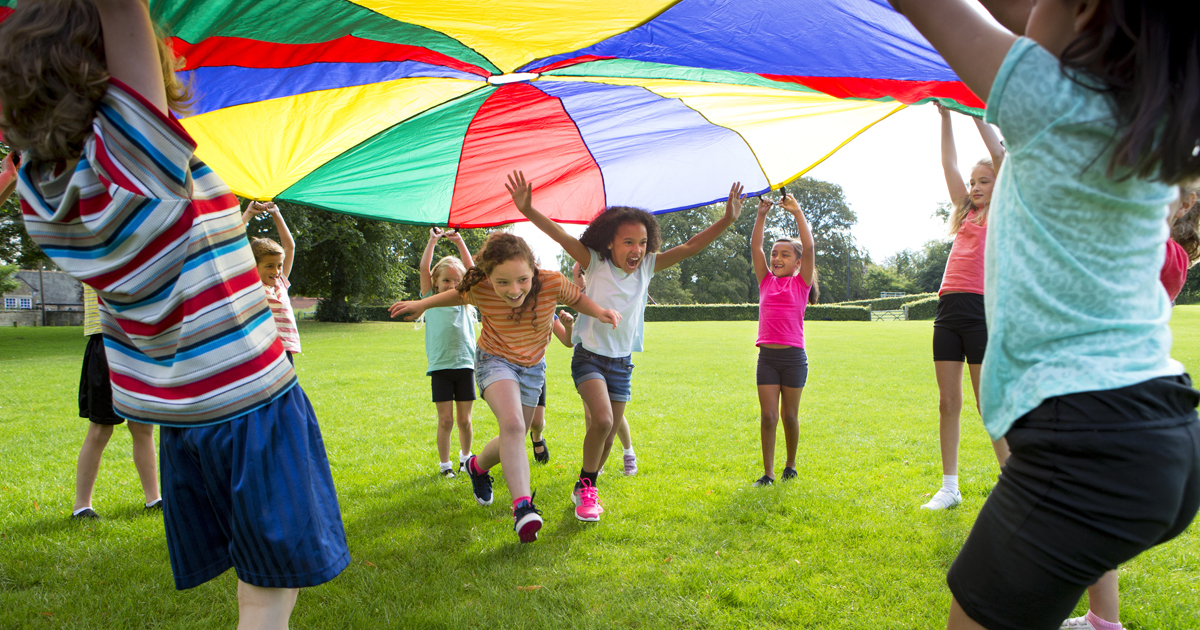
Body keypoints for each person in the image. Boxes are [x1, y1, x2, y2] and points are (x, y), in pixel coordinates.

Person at [0, 2, 349, 627]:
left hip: (182, 419)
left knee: (256, 580)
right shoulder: (139, 167)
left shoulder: (41, 192)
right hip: (251, 404)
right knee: (267, 597)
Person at [890, 1, 1200, 629]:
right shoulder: (1145, 110)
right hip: (1163, 433)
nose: (1026, 14)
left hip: (1089, 439)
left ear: (1085, 15)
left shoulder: (1047, 93)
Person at [506, 169, 744, 522]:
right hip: (589, 358)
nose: (637, 249)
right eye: (629, 242)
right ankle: (588, 485)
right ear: (610, 244)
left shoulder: (647, 267)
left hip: (622, 363)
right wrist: (528, 209)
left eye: (643, 242)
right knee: (601, 420)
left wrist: (726, 220)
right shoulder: (595, 262)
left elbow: (691, 247)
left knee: (609, 431)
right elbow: (559, 235)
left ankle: (585, 485)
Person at [389, 231, 620, 542]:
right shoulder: (480, 287)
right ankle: (523, 508)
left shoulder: (550, 282)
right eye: (503, 283)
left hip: (532, 369)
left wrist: (600, 312)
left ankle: (477, 467)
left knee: (515, 434)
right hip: (494, 361)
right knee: (511, 425)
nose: (514, 290)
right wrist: (423, 305)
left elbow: (577, 298)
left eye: (522, 280)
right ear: (488, 277)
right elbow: (456, 294)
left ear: (534, 269)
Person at [1062, 181, 1200, 630]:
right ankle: (1103, 619)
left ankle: (1102, 620)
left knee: (1085, 514)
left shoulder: (1164, 254)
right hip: (1099, 389)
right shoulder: (1146, 242)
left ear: (1184, 202)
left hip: (1113, 398)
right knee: (1087, 514)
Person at [923, 103, 1011, 510]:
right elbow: (946, 163)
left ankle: (1013, 481)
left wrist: (975, 112)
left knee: (985, 402)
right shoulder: (963, 215)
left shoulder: (1005, 212)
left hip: (980, 311)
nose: (975, 187)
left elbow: (1000, 157)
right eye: (973, 182)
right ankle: (950, 487)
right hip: (948, 311)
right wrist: (944, 116)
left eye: (984, 182)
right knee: (948, 402)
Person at [72, 284, 162, 520]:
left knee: (143, 426)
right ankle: (82, 506)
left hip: (138, 341)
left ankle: (154, 499)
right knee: (101, 428)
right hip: (105, 340)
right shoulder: (93, 253)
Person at [749, 191, 819, 487]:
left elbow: (811, 245)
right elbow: (756, 247)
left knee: (789, 416)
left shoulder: (801, 284)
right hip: (767, 359)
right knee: (768, 417)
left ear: (798, 263)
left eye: (784, 254)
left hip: (793, 360)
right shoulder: (765, 281)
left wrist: (797, 212)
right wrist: (761, 215)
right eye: (775, 254)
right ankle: (768, 473)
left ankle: (790, 465)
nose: (776, 258)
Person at [417, 227, 476, 478]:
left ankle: (466, 459)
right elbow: (423, 269)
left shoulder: (465, 298)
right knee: (445, 420)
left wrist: (460, 241)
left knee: (464, 420)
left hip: (465, 366)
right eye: (446, 280)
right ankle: (445, 466)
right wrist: (432, 240)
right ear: (436, 282)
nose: (451, 284)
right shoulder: (429, 298)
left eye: (455, 280)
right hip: (441, 368)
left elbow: (474, 271)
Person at [572, 263, 639, 476]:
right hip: (589, 357)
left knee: (611, 419)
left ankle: (628, 452)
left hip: (617, 358)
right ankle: (592, 468)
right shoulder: (582, 293)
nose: (581, 278)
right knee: (596, 417)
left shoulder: (608, 282)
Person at [243, 201, 301, 364]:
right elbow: (230, 246)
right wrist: (248, 215)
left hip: (284, 351)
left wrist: (276, 214)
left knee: (288, 389)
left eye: (279, 266)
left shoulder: (280, 282)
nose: (276, 271)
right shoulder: (251, 284)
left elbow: (290, 247)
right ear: (254, 265)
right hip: (261, 351)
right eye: (269, 266)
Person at [529, 309, 576, 465]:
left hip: (535, 370)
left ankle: (537, 436)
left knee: (536, 422)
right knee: (514, 422)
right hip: (508, 371)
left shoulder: (546, 310)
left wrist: (568, 327)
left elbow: (568, 342)